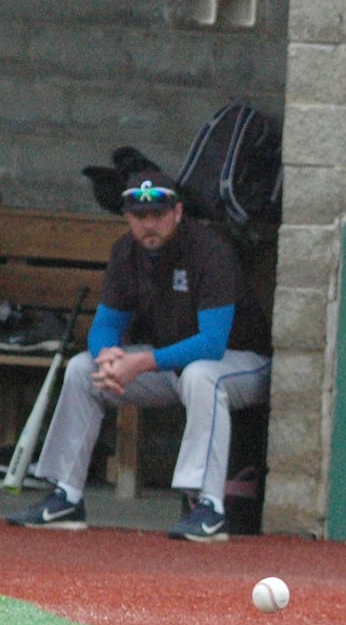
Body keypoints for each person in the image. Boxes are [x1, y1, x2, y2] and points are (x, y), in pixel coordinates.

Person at [6, 172, 272, 542]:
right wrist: (108, 358)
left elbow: (212, 343)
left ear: (178, 212)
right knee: (84, 369)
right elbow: (105, 325)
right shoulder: (126, 251)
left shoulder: (208, 249)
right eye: (139, 216)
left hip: (243, 362)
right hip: (172, 364)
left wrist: (140, 363)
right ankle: (66, 495)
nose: (149, 224)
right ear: (128, 218)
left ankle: (208, 505)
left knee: (201, 375)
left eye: (158, 214)